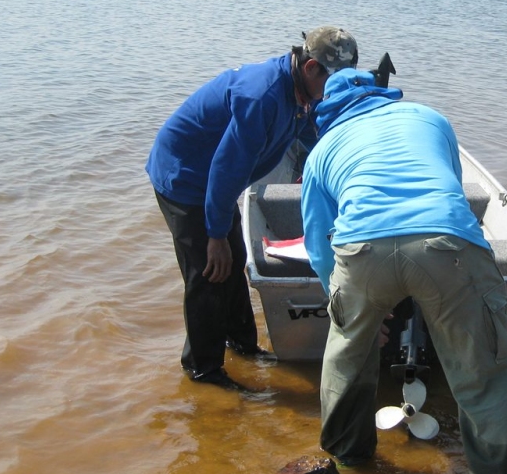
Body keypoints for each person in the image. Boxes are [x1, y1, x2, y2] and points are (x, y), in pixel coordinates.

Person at [300, 66, 507, 474]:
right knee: (487, 381)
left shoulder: (321, 151)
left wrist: (346, 310)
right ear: (382, 96)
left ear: (329, 112)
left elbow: (317, 242)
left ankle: (349, 460)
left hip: (359, 253)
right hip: (448, 245)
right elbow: (453, 195)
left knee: (346, 355)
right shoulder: (430, 118)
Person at [146, 27, 358, 389]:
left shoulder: (302, 90)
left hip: (217, 180)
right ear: (310, 68)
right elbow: (225, 169)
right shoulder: (261, 98)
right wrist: (214, 234)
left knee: (235, 255)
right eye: (336, 79)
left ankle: (242, 344)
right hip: (186, 178)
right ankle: (203, 371)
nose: (340, 88)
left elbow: (309, 137)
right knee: (210, 270)